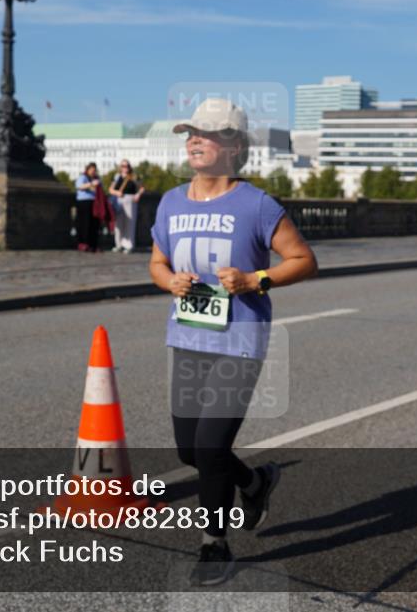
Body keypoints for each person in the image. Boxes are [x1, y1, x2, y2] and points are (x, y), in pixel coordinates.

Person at [149, 98, 318, 586]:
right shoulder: (171, 202)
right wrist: (169, 282)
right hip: (187, 337)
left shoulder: (257, 204)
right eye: (190, 133)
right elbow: (156, 264)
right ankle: (255, 481)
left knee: (210, 445)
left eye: (207, 133)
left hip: (239, 341)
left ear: (234, 146)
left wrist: (255, 279)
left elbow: (303, 261)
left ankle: (213, 545)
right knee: (189, 451)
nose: (194, 140)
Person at [109, 160, 144, 253]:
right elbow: (111, 189)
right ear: (120, 167)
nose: (125, 168)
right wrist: (117, 192)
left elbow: (142, 188)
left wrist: (138, 195)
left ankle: (129, 245)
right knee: (118, 224)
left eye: (127, 166)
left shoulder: (134, 176)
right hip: (119, 200)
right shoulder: (117, 177)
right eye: (123, 166)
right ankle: (118, 244)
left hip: (130, 199)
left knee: (130, 223)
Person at [74, 163, 100, 252]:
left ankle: (92, 244)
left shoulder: (96, 178)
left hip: (93, 202)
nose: (93, 172)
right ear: (87, 170)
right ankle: (83, 243)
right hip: (84, 202)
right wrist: (91, 184)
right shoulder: (83, 177)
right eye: (91, 170)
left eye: (94, 170)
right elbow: (79, 186)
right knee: (84, 223)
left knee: (93, 224)